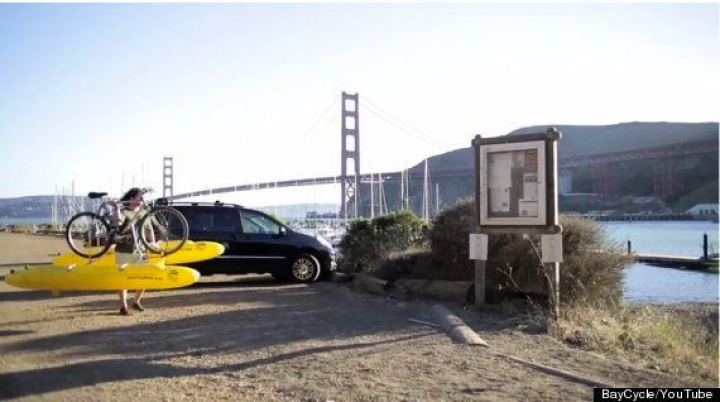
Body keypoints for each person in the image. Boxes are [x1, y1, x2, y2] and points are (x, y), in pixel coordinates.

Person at [111, 187, 148, 316]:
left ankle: (136, 301)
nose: (141, 200)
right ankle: (123, 307)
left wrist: (153, 244)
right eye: (139, 197)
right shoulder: (124, 211)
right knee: (123, 279)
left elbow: (148, 229)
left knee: (145, 277)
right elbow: (118, 222)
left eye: (142, 198)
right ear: (131, 198)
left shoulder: (143, 212)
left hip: (140, 249)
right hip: (123, 248)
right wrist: (115, 209)